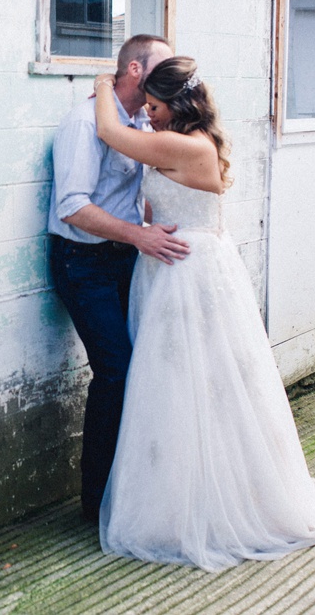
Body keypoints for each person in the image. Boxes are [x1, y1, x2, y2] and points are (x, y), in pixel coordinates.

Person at [91, 56, 315, 571]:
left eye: (155, 105)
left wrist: (103, 82)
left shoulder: (185, 145)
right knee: (179, 387)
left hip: (187, 275)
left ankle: (207, 506)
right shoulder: (189, 139)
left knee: (194, 385)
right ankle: (184, 495)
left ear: (179, 104)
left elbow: (107, 129)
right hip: (177, 267)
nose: (149, 115)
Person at [47, 34, 189, 524]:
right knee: (117, 370)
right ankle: (97, 502)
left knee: (146, 365)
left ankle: (135, 490)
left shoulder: (136, 123)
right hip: (82, 263)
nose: (171, 76)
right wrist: (140, 235)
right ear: (133, 70)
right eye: (161, 66)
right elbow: (72, 207)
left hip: (125, 256)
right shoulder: (85, 123)